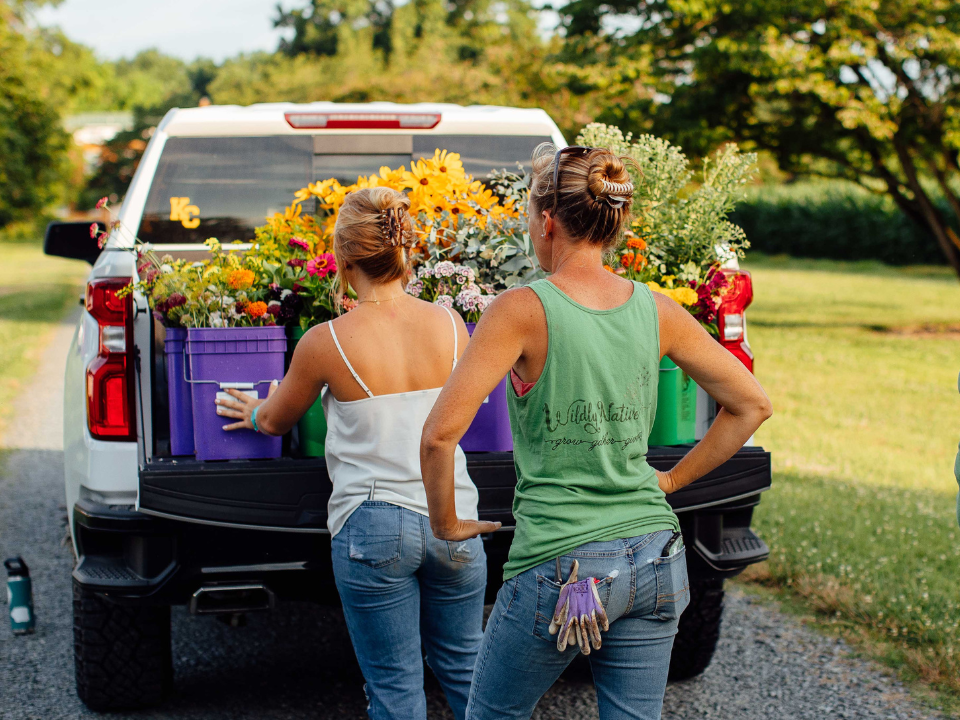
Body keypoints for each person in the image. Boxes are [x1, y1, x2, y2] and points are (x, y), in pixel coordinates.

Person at [420, 144, 773, 720]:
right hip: (656, 554)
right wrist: (671, 481)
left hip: (563, 563)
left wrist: (446, 523)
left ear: (547, 220)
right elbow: (750, 405)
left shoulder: (522, 309)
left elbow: (438, 436)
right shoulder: (656, 310)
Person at [216, 187, 486, 720]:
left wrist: (251, 410)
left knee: (394, 687)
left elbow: (275, 420)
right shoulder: (453, 325)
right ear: (406, 250)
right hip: (454, 519)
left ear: (342, 259)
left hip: (375, 525)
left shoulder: (326, 341)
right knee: (468, 670)